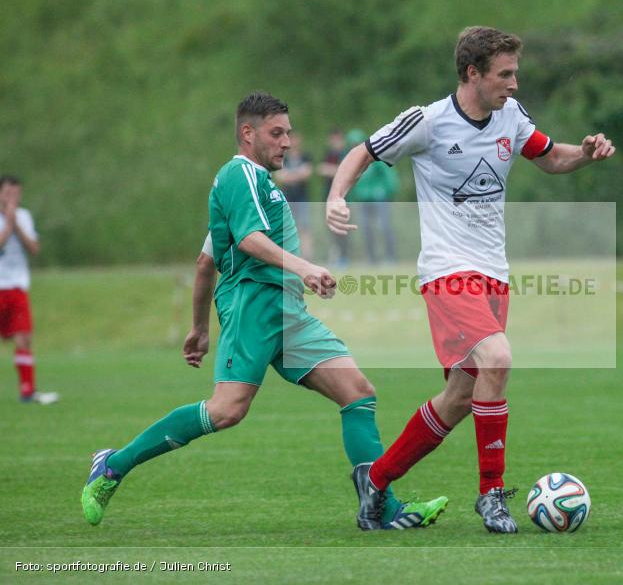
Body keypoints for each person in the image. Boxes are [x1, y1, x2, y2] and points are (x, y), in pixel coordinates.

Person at [81, 92, 447, 530]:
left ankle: (378, 508)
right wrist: (304, 266)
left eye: (289, 132)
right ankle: (113, 465)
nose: (287, 142)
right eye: (277, 133)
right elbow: (249, 240)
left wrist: (199, 328)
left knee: (357, 391)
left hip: (286, 312)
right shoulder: (239, 175)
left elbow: (205, 262)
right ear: (247, 133)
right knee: (226, 410)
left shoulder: (256, 184)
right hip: (254, 305)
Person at [327, 26, 616, 534]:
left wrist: (586, 153)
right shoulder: (427, 122)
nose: (514, 84)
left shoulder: (511, 116)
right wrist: (335, 196)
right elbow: (363, 153)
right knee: (499, 359)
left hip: (493, 276)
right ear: (471, 73)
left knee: (461, 397)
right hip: (446, 271)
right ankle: (492, 496)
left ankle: (378, 480)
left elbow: (551, 157)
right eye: (504, 75)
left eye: (515, 73)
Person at [0, 176, 57, 405]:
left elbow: (33, 248)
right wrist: (9, 224)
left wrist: (17, 223)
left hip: (18, 285)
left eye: (16, 194)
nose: (13, 198)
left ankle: (27, 391)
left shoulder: (24, 216)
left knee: (24, 338)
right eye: (8, 193)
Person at [344, 129, 398, 265]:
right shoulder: (350, 161)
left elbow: (390, 176)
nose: (354, 146)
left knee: (384, 226)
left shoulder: (375, 156)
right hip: (363, 200)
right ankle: (372, 259)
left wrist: (387, 191)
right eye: (352, 144)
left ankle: (391, 257)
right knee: (366, 228)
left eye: (357, 143)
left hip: (380, 198)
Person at [274, 131, 315, 259]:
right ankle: (289, 256)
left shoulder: (305, 157)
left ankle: (307, 256)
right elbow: (279, 176)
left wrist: (289, 175)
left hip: (302, 197)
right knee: (287, 228)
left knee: (305, 227)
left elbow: (307, 173)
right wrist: (298, 174)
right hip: (287, 198)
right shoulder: (282, 158)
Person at [318, 129, 350, 268]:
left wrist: (330, 170)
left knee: (343, 228)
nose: (334, 142)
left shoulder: (347, 154)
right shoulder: (328, 154)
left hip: (343, 197)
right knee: (331, 228)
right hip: (328, 196)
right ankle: (336, 257)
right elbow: (321, 169)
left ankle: (344, 257)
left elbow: (347, 171)